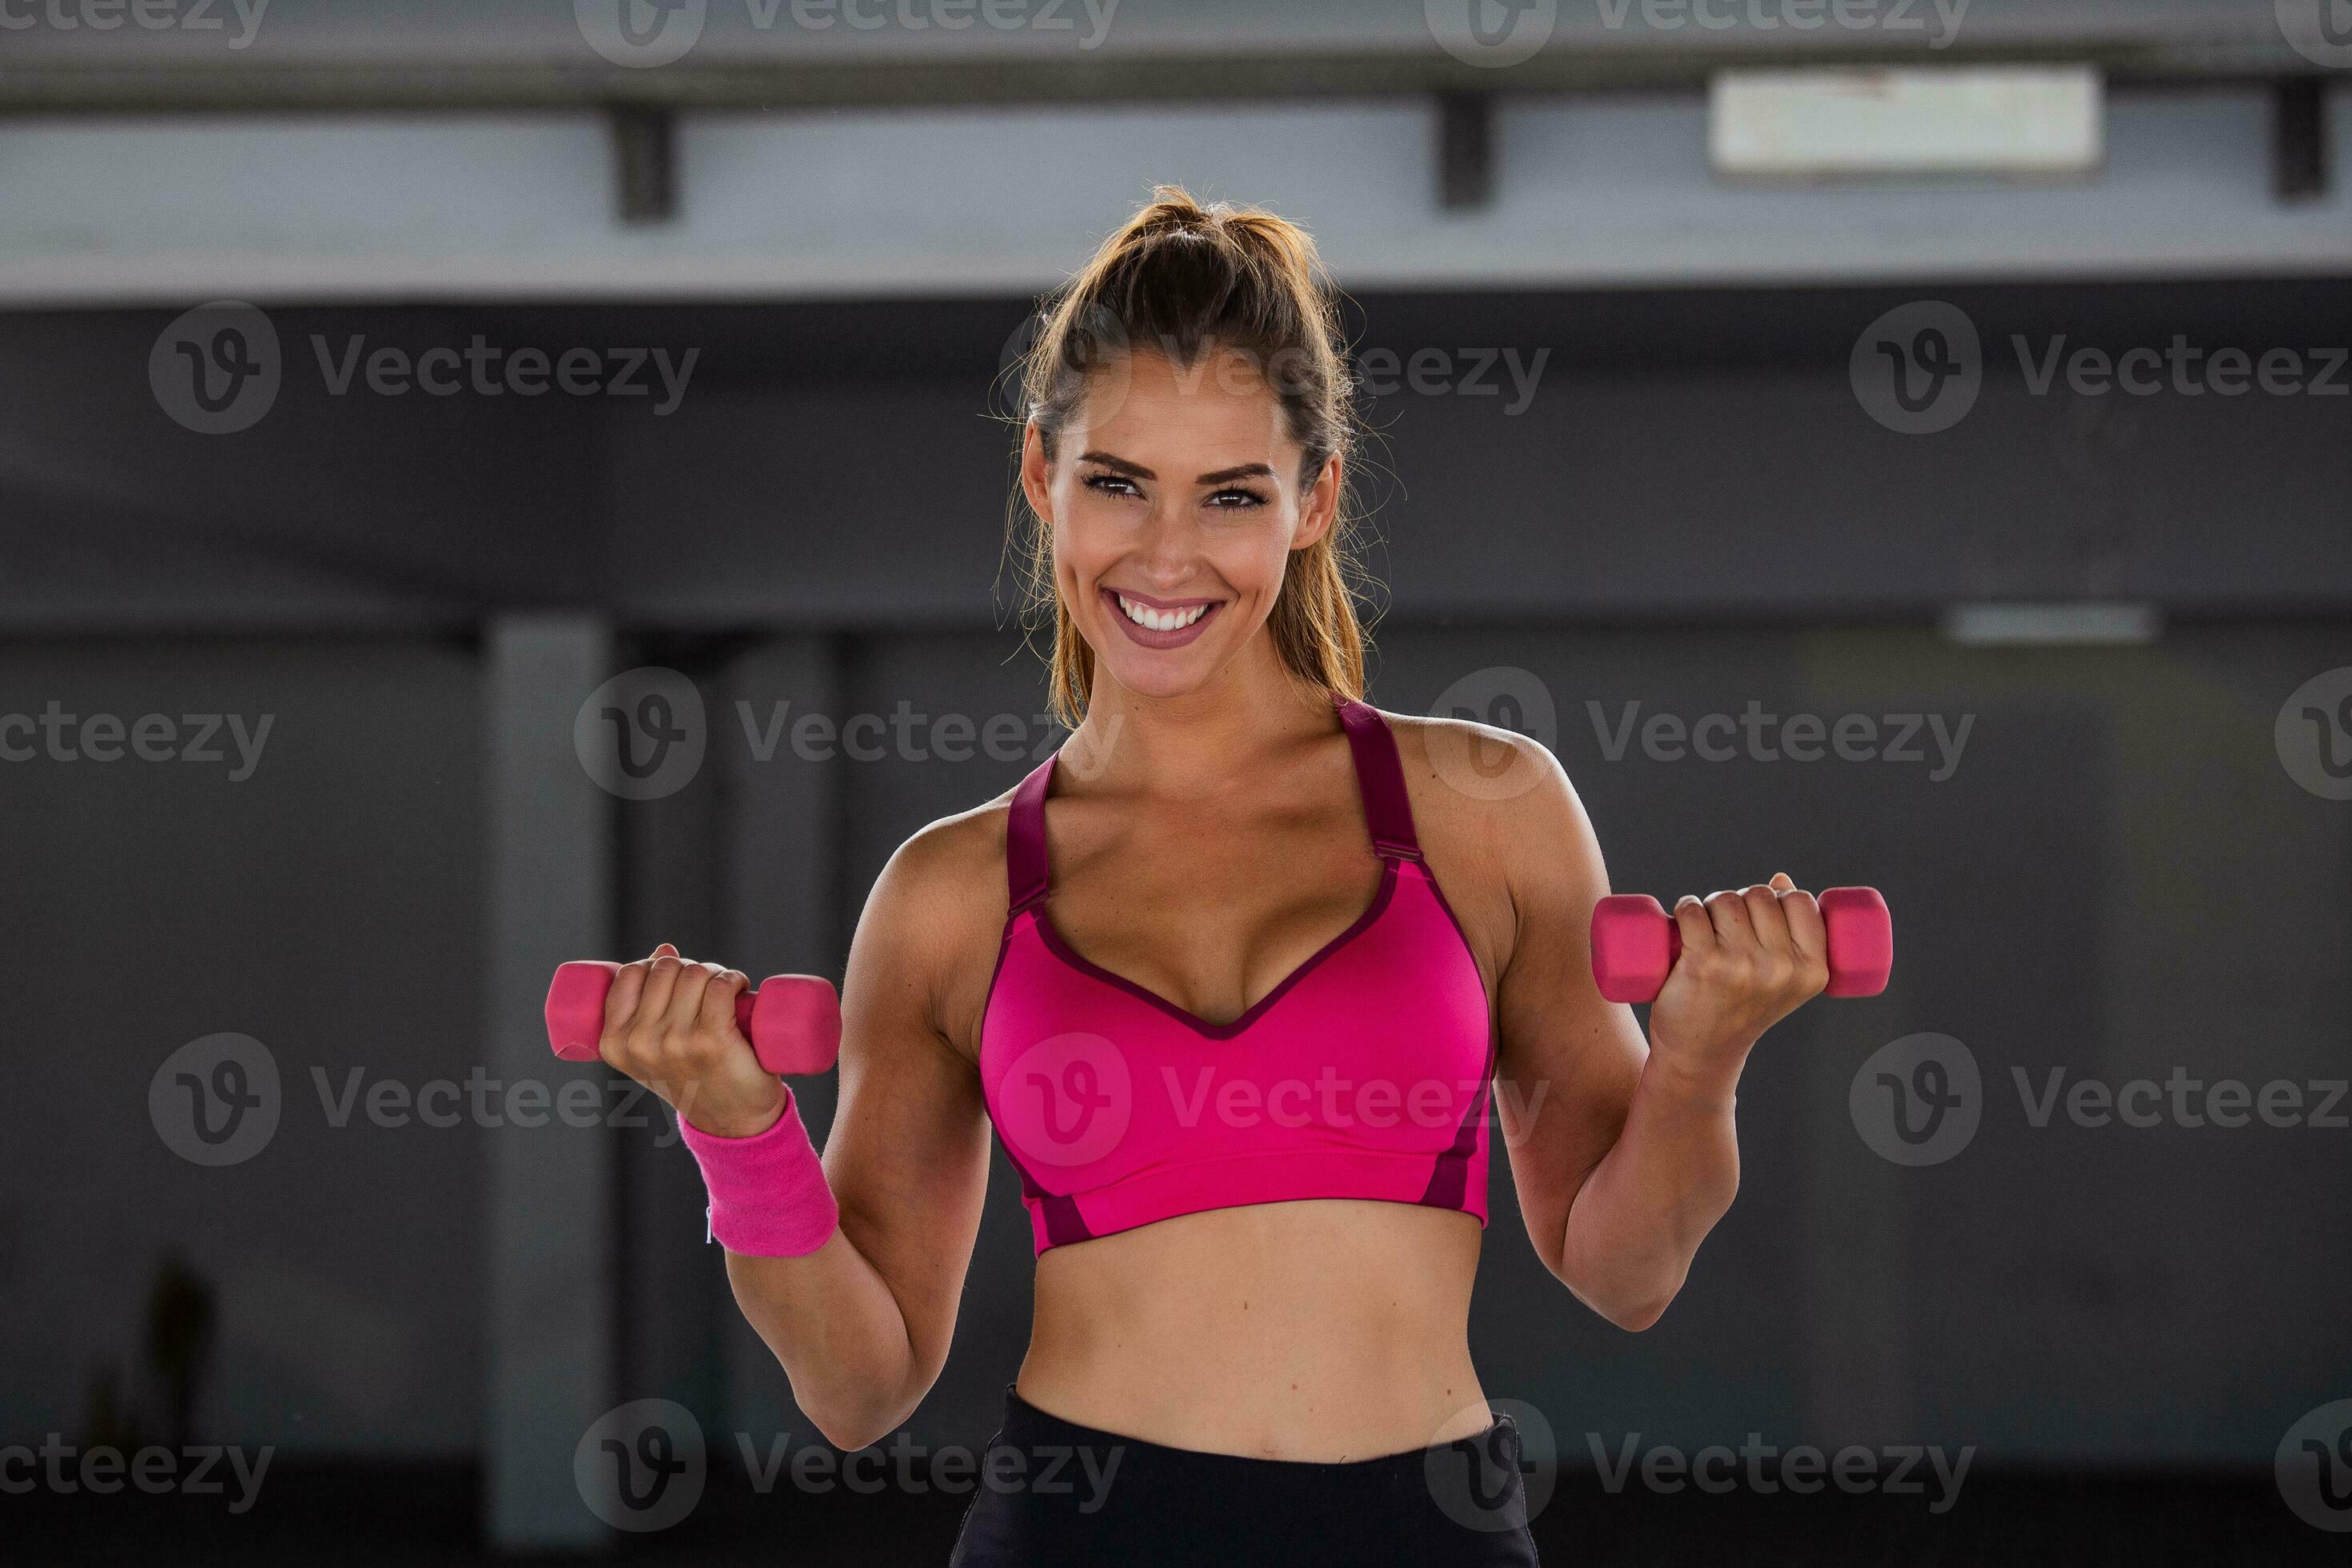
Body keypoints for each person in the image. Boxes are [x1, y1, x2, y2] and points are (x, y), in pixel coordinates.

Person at [594, 186, 1832, 1566]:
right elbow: (859, 1386)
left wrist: (1704, 1050)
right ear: (1038, 480)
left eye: (1230, 494)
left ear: (1314, 504)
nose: (1166, 554)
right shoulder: (952, 893)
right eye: (1116, 482)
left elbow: (1628, 1271)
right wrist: (734, 1121)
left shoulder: (1483, 810)